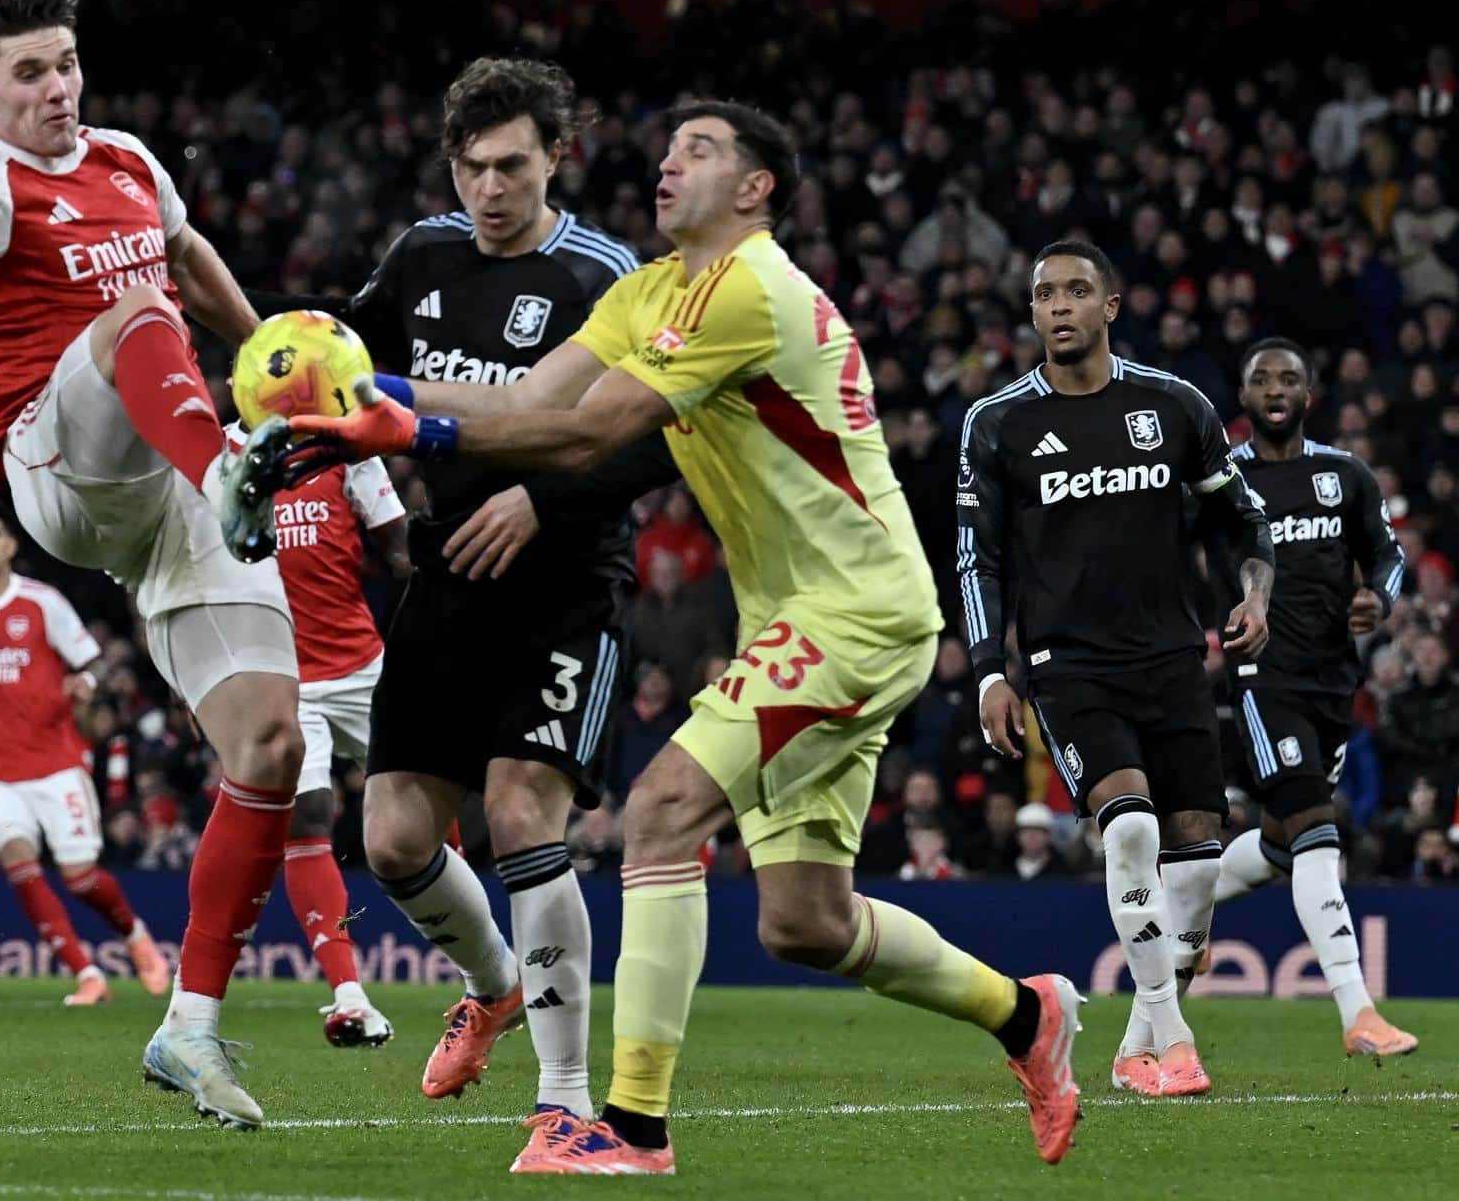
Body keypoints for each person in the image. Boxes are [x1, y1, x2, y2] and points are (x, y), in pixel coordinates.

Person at [259, 100, 1083, 1176]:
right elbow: (531, 397)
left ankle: (631, 1127)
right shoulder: (650, 290)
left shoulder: (751, 288)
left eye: (699, 150)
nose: (668, 162)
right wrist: (368, 401)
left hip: (857, 609)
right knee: (806, 921)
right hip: (795, 615)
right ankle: (1027, 1016)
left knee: (659, 813)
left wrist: (406, 420)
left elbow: (586, 432)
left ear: (755, 188)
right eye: (668, 147)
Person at [0, 0, 303, 1128]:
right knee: (139, 313)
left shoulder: (131, 158)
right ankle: (230, 472)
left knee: (273, 744)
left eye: (67, 64)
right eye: (30, 72)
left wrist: (279, 361)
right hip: (58, 461)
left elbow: (191, 256)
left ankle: (188, 1026)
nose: (57, 88)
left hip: (174, 482)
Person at [244, 57, 675, 1152]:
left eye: (513, 166)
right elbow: (348, 376)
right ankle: (493, 986)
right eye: (473, 166)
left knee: (524, 812)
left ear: (557, 157)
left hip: (567, 581)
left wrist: (543, 498)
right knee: (393, 840)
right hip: (449, 575)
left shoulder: (607, 277)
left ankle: (566, 1101)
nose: (491, 188)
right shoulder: (423, 255)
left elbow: (660, 438)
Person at [956, 240, 1276, 1098]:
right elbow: (977, 558)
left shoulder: (1174, 406)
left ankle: (1136, 1044)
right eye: (1043, 294)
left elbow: (1243, 522)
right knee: (1130, 829)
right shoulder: (997, 422)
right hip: (1068, 667)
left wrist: (1255, 596)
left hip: (1172, 660)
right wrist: (989, 671)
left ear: (1110, 307)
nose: (1058, 306)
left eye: (1075, 291)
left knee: (1196, 867)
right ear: (1033, 312)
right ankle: (1174, 1041)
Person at [1203, 338, 1416, 1056]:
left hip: (1332, 685)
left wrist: (1377, 599)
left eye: (1288, 378)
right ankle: (1359, 1013)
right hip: (1263, 680)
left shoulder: (1344, 475)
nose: (1275, 388)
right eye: (1261, 379)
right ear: (1243, 398)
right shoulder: (1223, 480)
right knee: (1316, 830)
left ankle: (1179, 909)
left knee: (1279, 843)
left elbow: (1389, 555)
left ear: (1308, 395)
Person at [0, 504, 170, 1006]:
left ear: (10, 545)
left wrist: (86, 683)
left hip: (55, 762)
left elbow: (92, 663)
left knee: (80, 878)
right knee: (19, 862)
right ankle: (87, 975)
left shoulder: (43, 603)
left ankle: (134, 934)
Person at [223, 418, 406, 1046]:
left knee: (424, 801)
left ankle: (480, 971)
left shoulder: (344, 448)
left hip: (362, 667)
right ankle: (349, 995)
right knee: (307, 814)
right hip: (281, 676)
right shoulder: (218, 455)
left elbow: (400, 548)